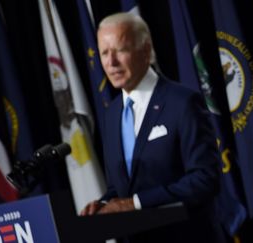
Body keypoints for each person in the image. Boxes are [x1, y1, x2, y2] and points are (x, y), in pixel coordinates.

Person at [80, 12, 226, 243]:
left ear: (146, 50)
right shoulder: (112, 113)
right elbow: (120, 186)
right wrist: (105, 203)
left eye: (120, 50)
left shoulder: (183, 102)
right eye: (105, 53)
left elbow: (205, 179)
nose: (111, 62)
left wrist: (135, 203)